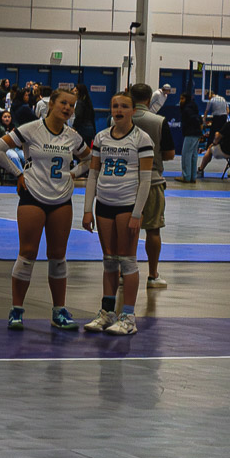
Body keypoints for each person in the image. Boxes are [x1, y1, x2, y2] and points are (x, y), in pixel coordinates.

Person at [0, 85, 87, 332]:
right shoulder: (30, 129)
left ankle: (59, 311)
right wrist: (18, 173)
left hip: (61, 199)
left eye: (72, 105)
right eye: (63, 103)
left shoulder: (73, 136)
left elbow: (89, 159)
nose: (67, 108)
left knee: (58, 255)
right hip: (33, 195)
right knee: (28, 253)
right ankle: (16, 310)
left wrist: (74, 173)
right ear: (51, 103)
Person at [81, 92, 153, 335]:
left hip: (126, 205)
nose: (118, 110)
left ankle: (128, 317)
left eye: (124, 106)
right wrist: (87, 210)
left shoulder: (141, 138)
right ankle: (107, 312)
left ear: (133, 111)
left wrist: (137, 213)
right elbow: (92, 174)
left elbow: (146, 180)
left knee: (127, 260)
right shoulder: (101, 137)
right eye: (115, 106)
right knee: (109, 260)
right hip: (104, 204)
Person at [125, 83, 174, 290]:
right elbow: (169, 155)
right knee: (153, 230)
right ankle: (153, 275)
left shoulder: (118, 119)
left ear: (130, 97)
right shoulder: (159, 121)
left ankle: (123, 273)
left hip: (125, 182)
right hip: (152, 181)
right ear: (148, 99)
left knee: (127, 230)